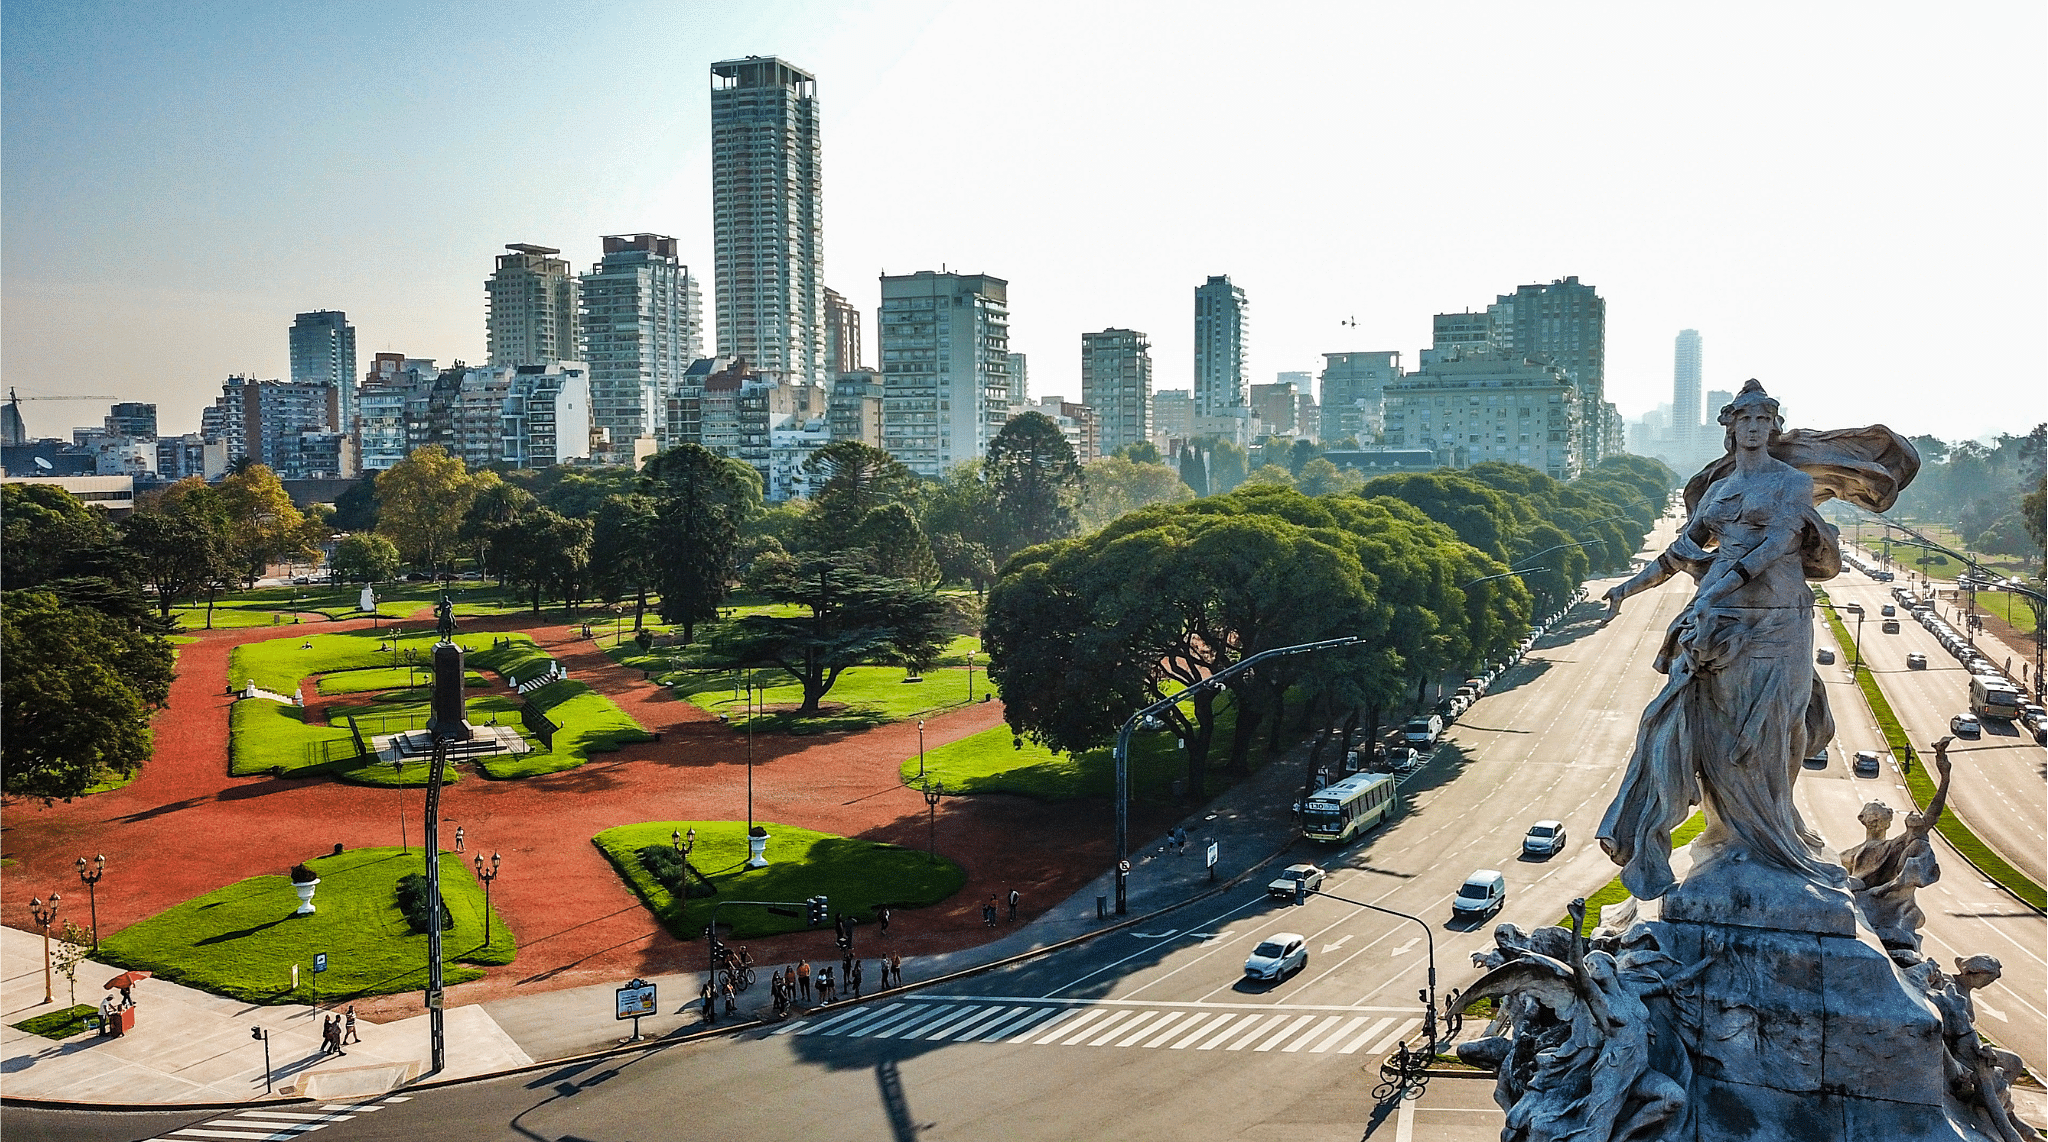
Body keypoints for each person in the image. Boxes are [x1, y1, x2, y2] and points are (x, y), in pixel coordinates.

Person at [1596, 381, 1916, 902]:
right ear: (1729, 429)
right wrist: (1627, 588)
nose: (1753, 428)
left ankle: (1776, 837)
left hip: (1777, 620)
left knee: (1777, 730)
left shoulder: (1790, 483)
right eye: (1744, 420)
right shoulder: (1720, 493)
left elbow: (1773, 546)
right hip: (1722, 624)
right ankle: (1729, 838)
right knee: (1709, 734)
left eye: (1763, 420)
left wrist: (1714, 588)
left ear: (1773, 428)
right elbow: (1681, 553)